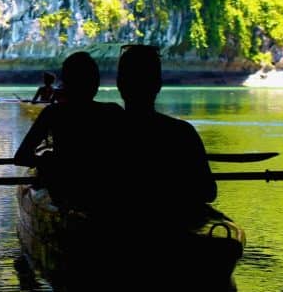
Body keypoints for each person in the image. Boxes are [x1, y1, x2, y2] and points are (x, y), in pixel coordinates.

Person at [116, 44, 216, 224]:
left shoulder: (102, 132)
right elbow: (208, 192)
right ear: (158, 85)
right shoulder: (182, 133)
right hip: (172, 228)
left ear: (119, 84)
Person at [14, 51, 124, 212]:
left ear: (66, 83)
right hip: (103, 193)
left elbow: (21, 157)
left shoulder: (53, 113)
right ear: (96, 83)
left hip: (64, 191)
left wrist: (47, 160)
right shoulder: (113, 111)